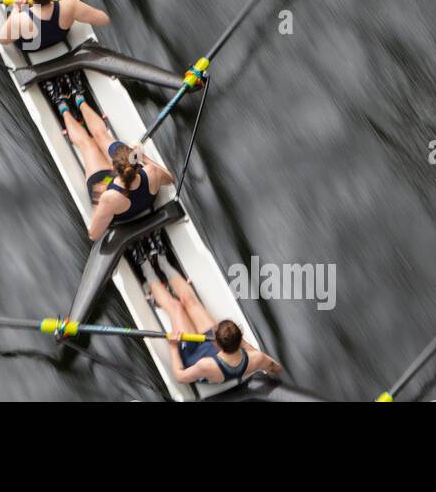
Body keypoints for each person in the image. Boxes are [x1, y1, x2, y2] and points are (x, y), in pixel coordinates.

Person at [133, 234, 283, 385]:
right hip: (224, 353)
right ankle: (161, 259)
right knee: (190, 301)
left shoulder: (206, 366)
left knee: (176, 308)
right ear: (239, 340)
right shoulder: (258, 358)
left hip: (195, 359)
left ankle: (145, 266)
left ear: (216, 341)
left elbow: (180, 377)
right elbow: (276, 369)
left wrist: (173, 346)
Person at [40, 74, 171, 240]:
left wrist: (98, 204)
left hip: (116, 201)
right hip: (137, 192)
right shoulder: (152, 172)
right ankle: (79, 97)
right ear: (134, 162)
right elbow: (170, 178)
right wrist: (143, 157)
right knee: (103, 136)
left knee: (88, 145)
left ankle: (63, 107)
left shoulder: (109, 197)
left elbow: (93, 234)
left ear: (112, 167)